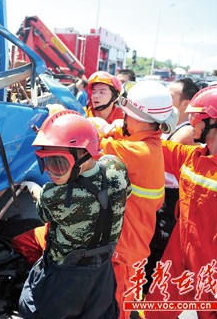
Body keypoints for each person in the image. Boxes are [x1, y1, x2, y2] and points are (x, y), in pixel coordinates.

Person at [17, 110, 131, 319]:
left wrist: (32, 186)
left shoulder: (54, 195)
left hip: (65, 278)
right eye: (44, 161)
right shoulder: (116, 168)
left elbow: (44, 210)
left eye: (57, 163)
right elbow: (125, 193)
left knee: (34, 308)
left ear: (83, 156)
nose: (49, 172)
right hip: (103, 271)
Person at [94, 80, 178, 319]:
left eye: (127, 114)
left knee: (118, 309)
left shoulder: (136, 152)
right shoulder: (148, 145)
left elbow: (96, 146)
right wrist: (111, 127)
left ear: (138, 117)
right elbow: (122, 139)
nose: (123, 119)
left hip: (125, 250)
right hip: (134, 245)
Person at [144, 85, 217, 319]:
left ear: (216, 120)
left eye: (196, 116)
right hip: (179, 256)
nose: (190, 122)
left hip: (216, 269)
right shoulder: (192, 158)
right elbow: (151, 148)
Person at [143, 77, 201, 292]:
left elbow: (159, 154)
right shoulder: (169, 125)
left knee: (158, 247)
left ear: (186, 104)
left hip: (170, 198)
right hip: (157, 190)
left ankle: (149, 299)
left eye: (170, 96)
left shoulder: (186, 131)